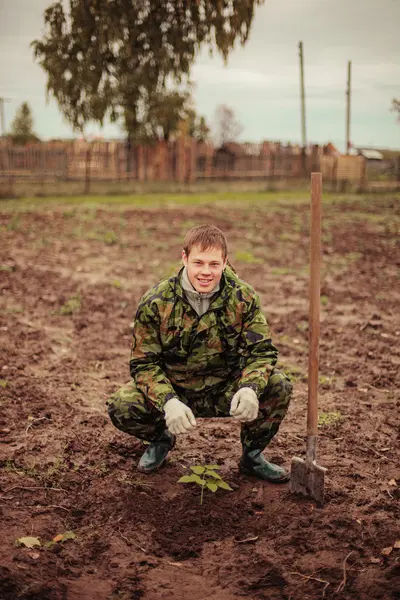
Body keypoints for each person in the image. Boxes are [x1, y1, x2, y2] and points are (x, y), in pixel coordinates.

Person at [107, 225, 292, 482]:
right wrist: (167, 401)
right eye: (198, 262)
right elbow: (143, 364)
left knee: (278, 385)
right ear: (184, 258)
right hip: (177, 393)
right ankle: (161, 439)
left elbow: (261, 352)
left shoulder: (243, 297)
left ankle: (252, 456)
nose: (206, 272)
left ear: (225, 262)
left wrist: (250, 387)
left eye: (214, 264)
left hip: (227, 389)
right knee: (122, 405)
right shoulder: (156, 301)